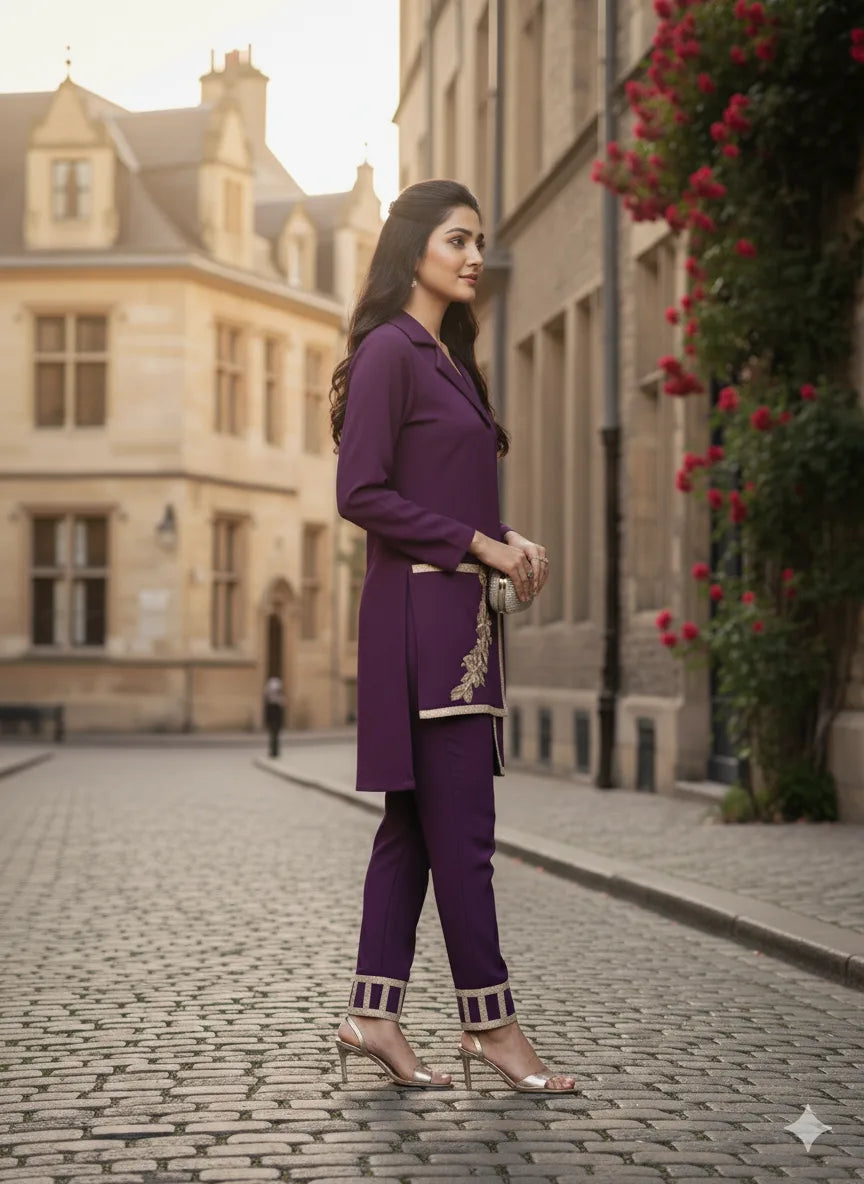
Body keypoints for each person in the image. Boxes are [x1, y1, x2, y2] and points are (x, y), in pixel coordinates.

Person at [329, 179, 576, 1093]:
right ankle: (495, 1027)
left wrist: (501, 539)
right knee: (463, 834)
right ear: (413, 250)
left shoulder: (446, 357)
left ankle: (372, 1015)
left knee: (415, 829)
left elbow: (437, 493)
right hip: (425, 630)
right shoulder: (393, 350)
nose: (475, 256)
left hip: (456, 623)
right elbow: (361, 494)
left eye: (479, 241)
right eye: (457, 240)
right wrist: (477, 543)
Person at [263, 676, 284, 759]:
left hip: (275, 717)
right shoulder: (274, 702)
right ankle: (274, 752)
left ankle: (274, 752)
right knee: (273, 735)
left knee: (274, 735)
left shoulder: (277, 701)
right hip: (274, 717)